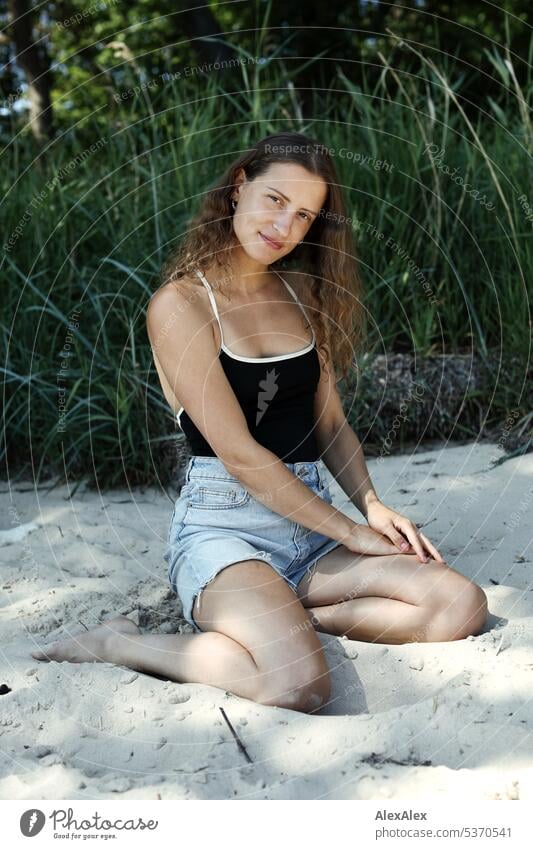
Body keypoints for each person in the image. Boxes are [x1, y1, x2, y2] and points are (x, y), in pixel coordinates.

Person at [31, 132, 488, 713]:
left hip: (311, 531)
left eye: (303, 214)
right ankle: (122, 642)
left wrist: (370, 505)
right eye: (275, 199)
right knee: (297, 685)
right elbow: (241, 456)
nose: (284, 226)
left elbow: (332, 426)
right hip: (226, 530)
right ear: (239, 185)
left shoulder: (301, 292)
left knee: (459, 606)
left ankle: (286, 614)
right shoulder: (181, 306)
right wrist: (351, 532)